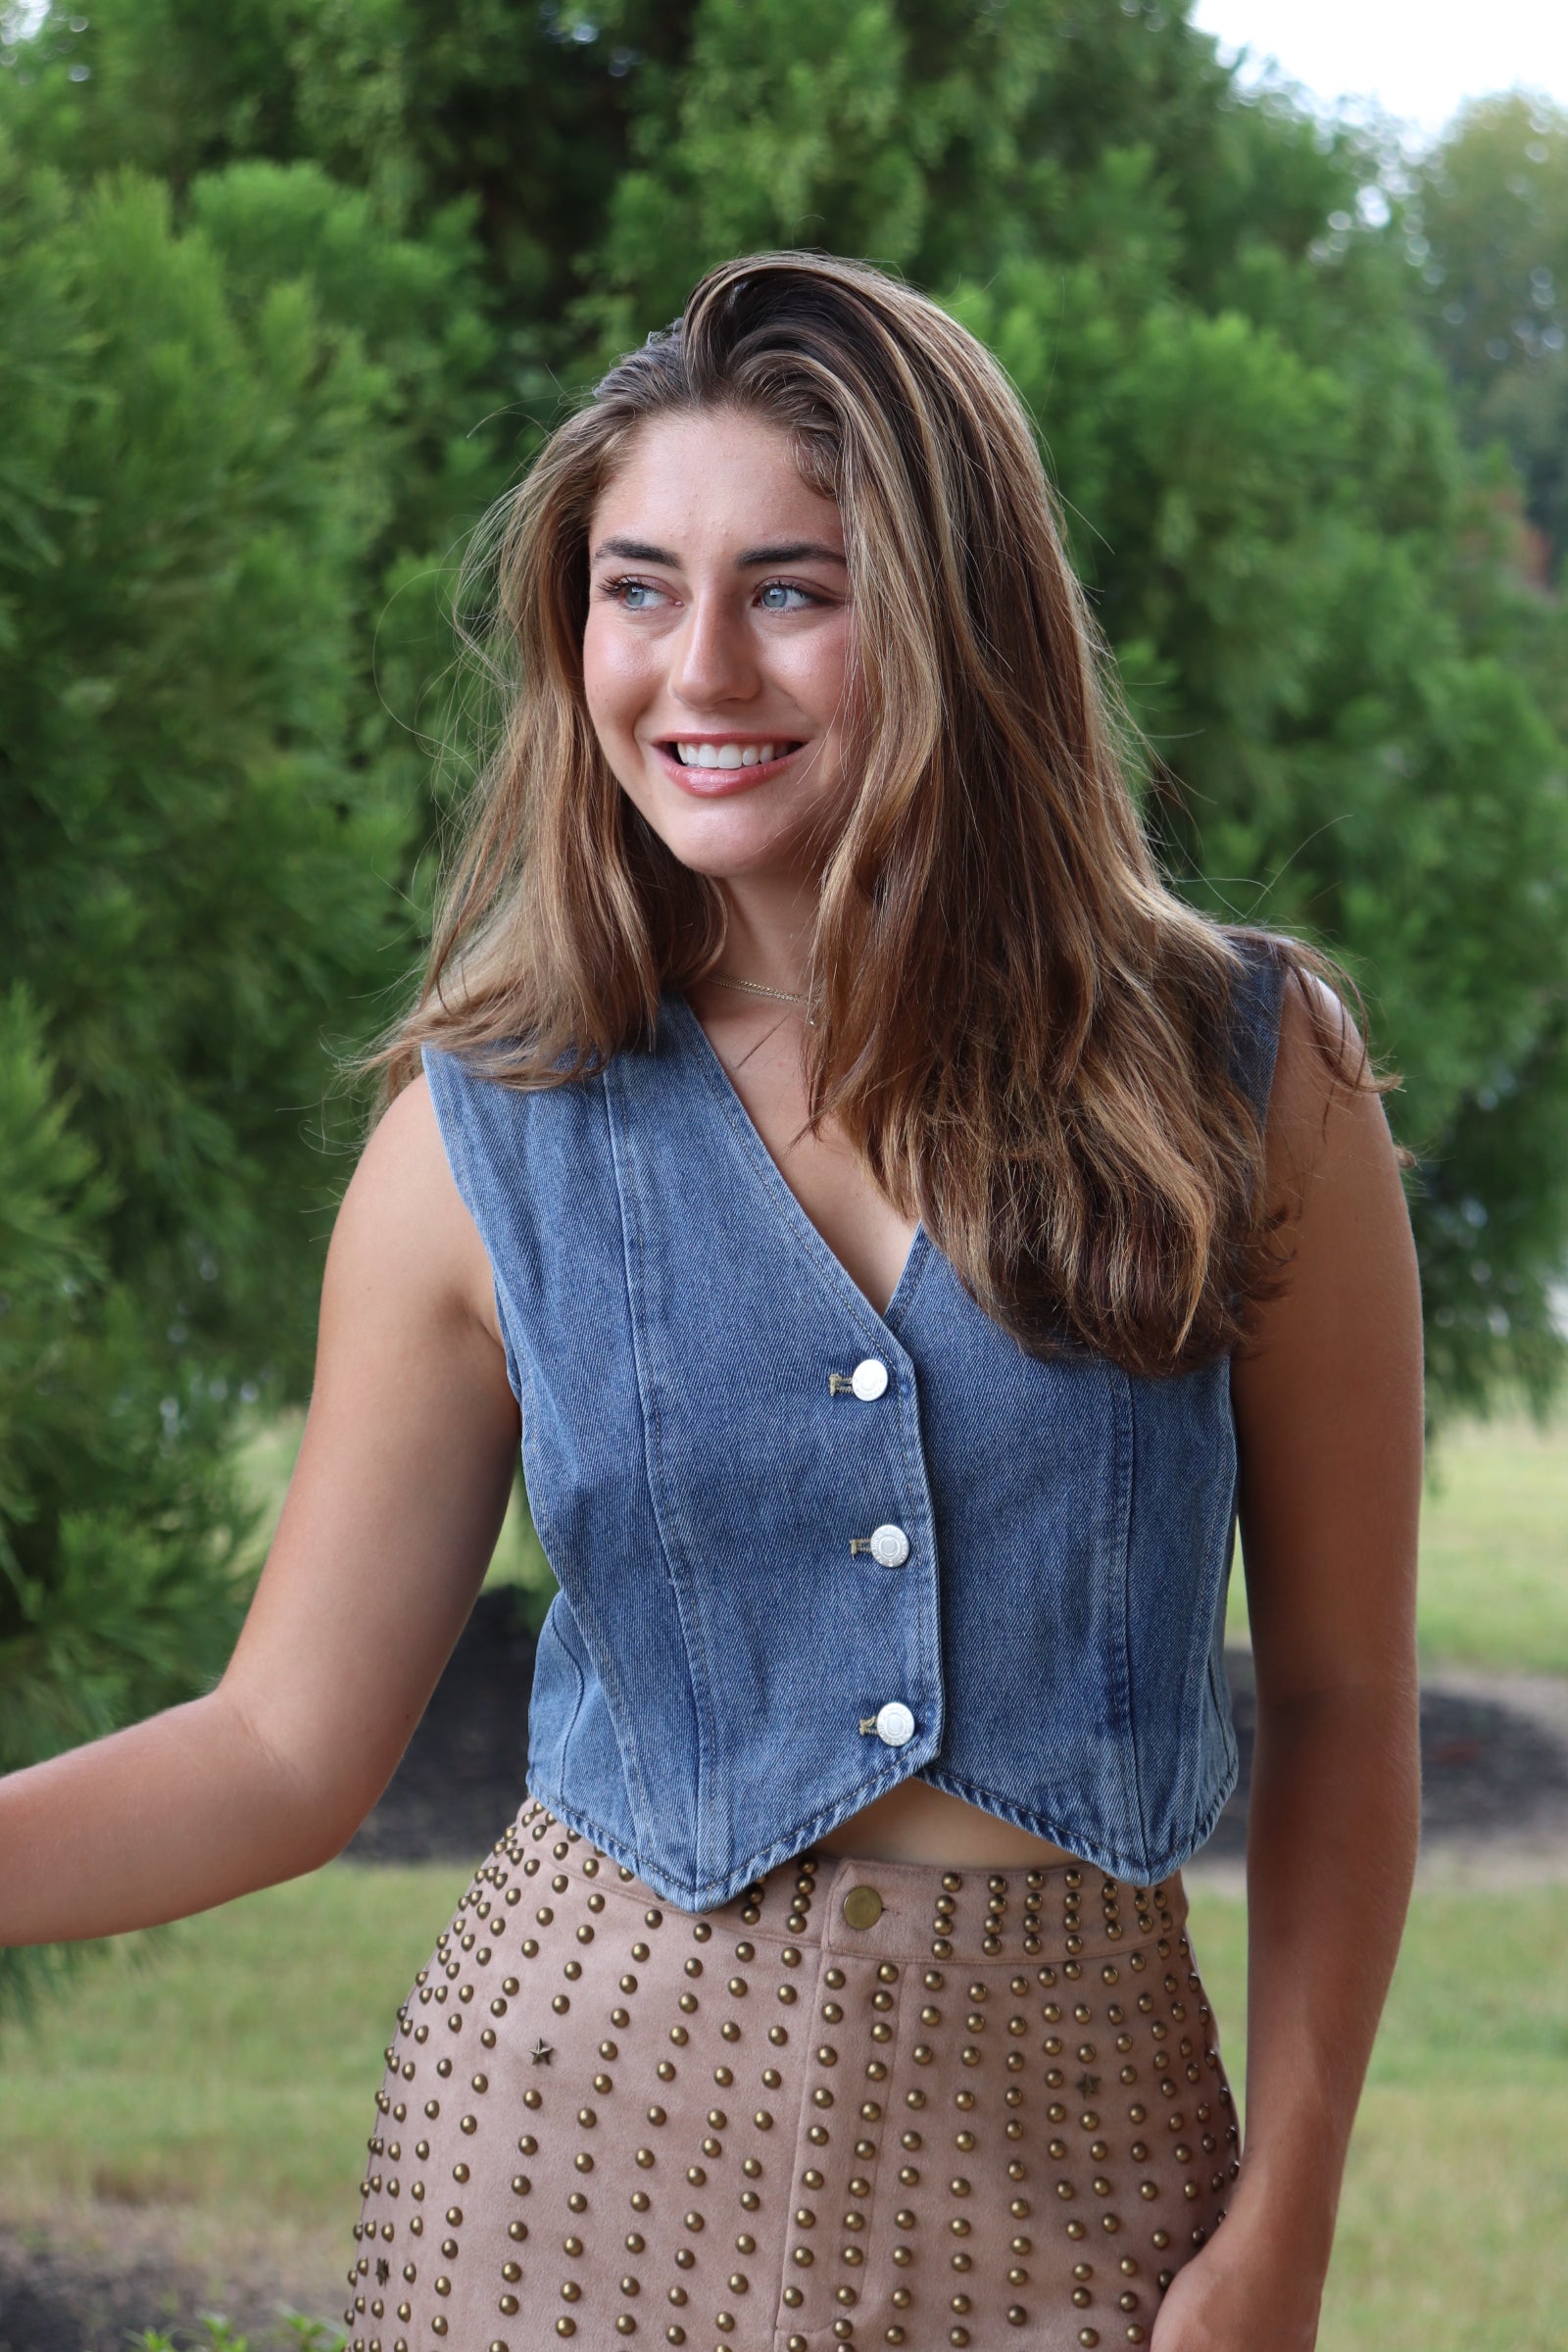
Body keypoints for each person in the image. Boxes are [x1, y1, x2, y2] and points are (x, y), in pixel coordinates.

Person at [0, 252, 1423, 2352]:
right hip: (557, 2179)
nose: (694, 670)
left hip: (1078, 2184)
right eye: (633, 587)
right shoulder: (475, 1139)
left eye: (789, 588)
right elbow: (284, 1745)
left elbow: (1334, 1705)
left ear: (952, 618)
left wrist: (1280, 2225)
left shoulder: (1234, 1071)